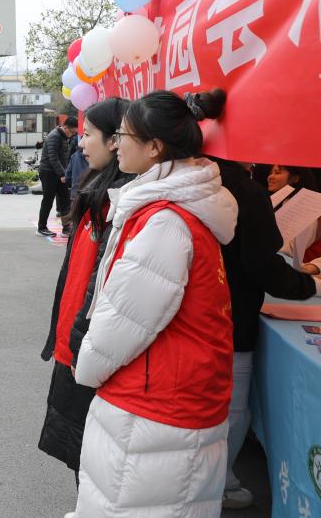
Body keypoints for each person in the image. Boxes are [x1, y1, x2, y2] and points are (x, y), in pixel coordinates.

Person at [71, 89, 237, 516]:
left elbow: (123, 322)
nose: (117, 144)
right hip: (169, 402)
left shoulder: (165, 222)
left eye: (124, 135)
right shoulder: (175, 209)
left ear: (154, 147)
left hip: (155, 410)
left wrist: (85, 367)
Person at [208, 157, 320, 509]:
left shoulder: (194, 180)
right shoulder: (244, 192)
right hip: (231, 318)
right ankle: (218, 484)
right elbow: (262, 265)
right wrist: (307, 284)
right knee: (231, 408)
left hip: (204, 314)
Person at [38, 98, 132, 485]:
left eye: (88, 134)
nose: (80, 143)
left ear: (115, 140)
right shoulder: (99, 188)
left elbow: (104, 291)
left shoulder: (122, 203)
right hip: (75, 343)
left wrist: (80, 346)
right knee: (81, 453)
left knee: (93, 459)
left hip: (89, 349)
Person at [268, 165, 321, 274]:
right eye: (271, 172)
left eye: (277, 172)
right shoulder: (278, 202)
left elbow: (291, 250)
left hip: (289, 267)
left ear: (296, 178)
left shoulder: (306, 206)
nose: (270, 177)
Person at [37, 117, 78, 237]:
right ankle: (41, 228)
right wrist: (62, 174)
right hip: (48, 172)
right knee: (48, 200)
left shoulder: (64, 136)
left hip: (59, 172)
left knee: (65, 200)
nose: (72, 135)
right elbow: (53, 158)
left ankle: (66, 228)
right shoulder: (54, 136)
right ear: (65, 128)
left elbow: (63, 157)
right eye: (72, 132)